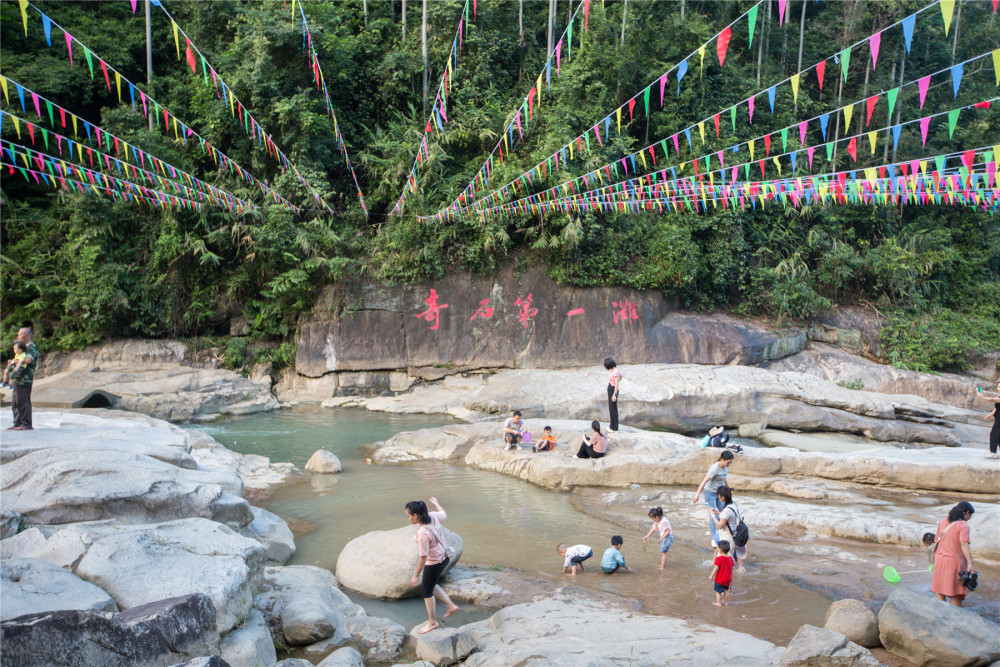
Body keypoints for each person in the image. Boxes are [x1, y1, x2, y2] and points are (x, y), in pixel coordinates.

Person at [406, 497, 459, 633]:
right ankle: (450, 605)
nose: (408, 519)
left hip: (434, 562)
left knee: (426, 591)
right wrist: (436, 503)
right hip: (445, 557)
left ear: (416, 516)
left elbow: (423, 557)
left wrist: (415, 576)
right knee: (431, 584)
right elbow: (444, 514)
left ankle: (432, 622)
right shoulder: (432, 516)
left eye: (409, 516)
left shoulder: (423, 533)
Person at [931, 501, 976, 607]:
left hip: (940, 561)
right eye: (971, 515)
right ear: (967, 513)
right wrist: (970, 563)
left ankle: (941, 616)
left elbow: (936, 541)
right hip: (954, 563)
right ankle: (951, 620)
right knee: (958, 593)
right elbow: (964, 543)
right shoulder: (963, 525)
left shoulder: (942, 521)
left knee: (940, 590)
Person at [691, 450, 734, 547]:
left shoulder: (725, 467)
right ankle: (714, 538)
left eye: (730, 462)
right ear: (722, 460)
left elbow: (724, 478)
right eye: (728, 462)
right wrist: (697, 494)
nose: (729, 464)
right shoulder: (715, 468)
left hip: (719, 493)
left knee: (723, 511)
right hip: (709, 493)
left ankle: (714, 529)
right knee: (714, 515)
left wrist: (728, 489)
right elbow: (704, 481)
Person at [709, 485, 747, 573]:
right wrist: (718, 513)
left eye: (718, 496)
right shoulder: (732, 505)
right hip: (731, 536)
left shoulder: (727, 510)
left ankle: (725, 584)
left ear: (722, 497)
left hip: (727, 539)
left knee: (724, 565)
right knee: (723, 563)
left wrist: (712, 515)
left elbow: (719, 525)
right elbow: (727, 519)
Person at [8, 328, 38, 431]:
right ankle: (17, 423)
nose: (18, 337)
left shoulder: (31, 347)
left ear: (27, 336)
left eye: (20, 335)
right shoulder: (21, 347)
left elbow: (28, 359)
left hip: (25, 379)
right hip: (18, 378)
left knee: (23, 401)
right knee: (15, 402)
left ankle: (26, 424)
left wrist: (15, 361)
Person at [710, 540, 735, 606]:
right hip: (728, 579)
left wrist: (711, 575)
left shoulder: (719, 558)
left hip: (720, 579)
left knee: (718, 592)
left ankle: (718, 603)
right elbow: (731, 570)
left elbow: (716, 568)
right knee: (726, 591)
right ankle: (725, 602)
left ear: (720, 550)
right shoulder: (731, 559)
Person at [981, 382, 1000, 459]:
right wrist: (990, 415)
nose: (999, 388)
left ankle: (993, 453)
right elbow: (996, 409)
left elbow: (993, 399)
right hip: (998, 419)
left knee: (994, 434)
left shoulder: (998, 398)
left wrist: (982, 397)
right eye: (998, 386)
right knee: (998, 436)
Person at [604, 358, 622, 432]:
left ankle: (615, 428)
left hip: (613, 390)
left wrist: (614, 394)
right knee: (611, 408)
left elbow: (617, 383)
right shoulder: (614, 370)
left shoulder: (615, 371)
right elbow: (621, 377)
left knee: (613, 409)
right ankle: (612, 425)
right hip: (611, 388)